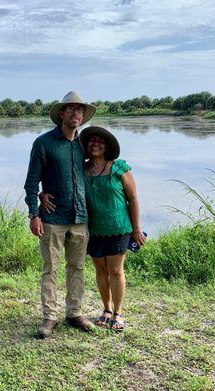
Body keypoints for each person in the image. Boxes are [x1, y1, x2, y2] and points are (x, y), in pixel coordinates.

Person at [40, 126, 147, 332]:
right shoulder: (83, 169)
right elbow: (61, 182)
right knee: (100, 270)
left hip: (118, 227)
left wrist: (136, 229)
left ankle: (118, 313)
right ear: (86, 146)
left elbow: (133, 198)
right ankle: (106, 310)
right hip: (93, 229)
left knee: (115, 271)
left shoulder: (119, 168)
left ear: (107, 146)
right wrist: (43, 194)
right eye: (91, 141)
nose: (95, 144)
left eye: (100, 141)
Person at [24, 91, 96, 339]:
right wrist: (34, 213)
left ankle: (74, 313)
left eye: (80, 109)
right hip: (52, 219)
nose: (76, 113)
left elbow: (101, 165)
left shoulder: (83, 144)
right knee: (51, 269)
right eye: (71, 109)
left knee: (77, 267)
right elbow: (32, 183)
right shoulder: (44, 143)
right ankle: (49, 317)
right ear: (62, 113)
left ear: (83, 115)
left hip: (80, 217)